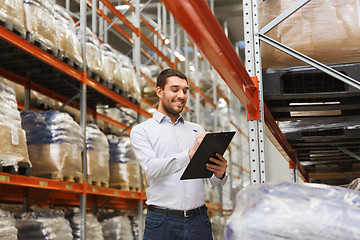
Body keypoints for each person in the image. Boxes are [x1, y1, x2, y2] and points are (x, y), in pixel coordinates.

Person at [130, 68, 228, 240]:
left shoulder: (197, 130)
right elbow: (151, 168)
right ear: (159, 91)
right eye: (175, 89)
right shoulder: (142, 131)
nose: (181, 95)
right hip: (162, 222)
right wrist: (189, 154)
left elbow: (213, 181)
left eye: (184, 90)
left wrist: (219, 173)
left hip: (199, 220)